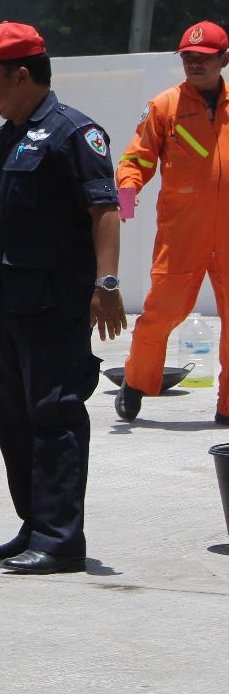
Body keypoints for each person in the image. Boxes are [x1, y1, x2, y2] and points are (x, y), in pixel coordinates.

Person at [0, 22, 126, 575]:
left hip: (58, 305)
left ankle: (61, 540)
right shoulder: (2, 139)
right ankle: (35, 523)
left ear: (21, 75)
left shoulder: (74, 133)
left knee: (55, 415)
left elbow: (103, 209)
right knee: (13, 419)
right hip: (8, 304)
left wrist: (106, 284)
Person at [115, 21, 229, 422]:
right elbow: (136, 159)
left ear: (224, 59)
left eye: (203, 59)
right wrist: (127, 199)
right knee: (162, 312)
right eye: (188, 58)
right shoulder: (165, 106)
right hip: (182, 232)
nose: (194, 65)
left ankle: (228, 405)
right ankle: (135, 381)